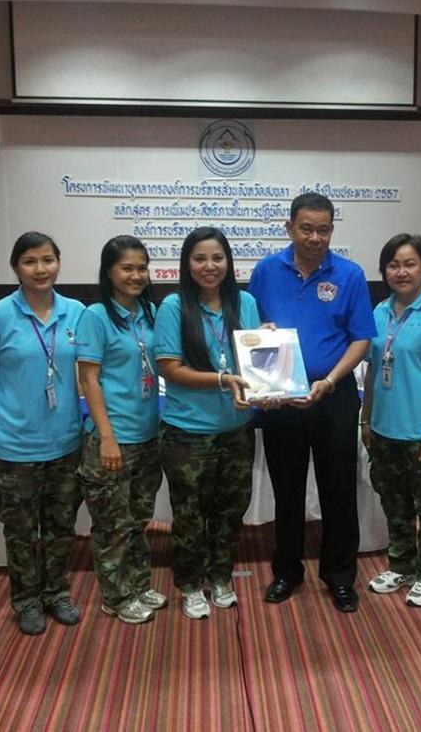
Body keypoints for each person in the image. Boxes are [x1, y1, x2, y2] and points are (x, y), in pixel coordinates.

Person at [248, 192, 376, 613]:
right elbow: (251, 329)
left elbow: (361, 339)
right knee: (286, 490)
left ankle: (340, 577)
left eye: (323, 230)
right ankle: (287, 572)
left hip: (334, 396)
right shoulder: (266, 271)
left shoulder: (350, 274)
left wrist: (330, 381)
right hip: (281, 398)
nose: (315, 237)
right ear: (289, 228)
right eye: (306, 229)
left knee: (339, 489)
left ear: (332, 231)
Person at [0, 231, 85, 635]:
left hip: (66, 441)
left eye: (48, 260)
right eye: (30, 261)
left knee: (60, 527)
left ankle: (57, 593)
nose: (41, 269)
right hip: (15, 445)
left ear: (59, 263)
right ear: (16, 268)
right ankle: (26, 601)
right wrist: (2, 416)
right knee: (21, 531)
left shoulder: (76, 312)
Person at [153, 227, 260, 620]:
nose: (209, 266)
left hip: (236, 428)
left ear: (228, 262)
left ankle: (220, 576)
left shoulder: (245, 302)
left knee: (230, 510)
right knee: (190, 514)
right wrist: (222, 379)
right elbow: (170, 368)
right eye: (200, 258)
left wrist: (267, 347)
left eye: (217, 258)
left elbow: (253, 360)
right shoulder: (173, 307)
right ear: (187, 264)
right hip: (187, 433)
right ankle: (189, 582)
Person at [360, 234, 421, 608]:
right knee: (395, 505)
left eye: (409, 264)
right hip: (385, 430)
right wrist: (366, 421)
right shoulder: (379, 312)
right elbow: (373, 370)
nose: (401, 272)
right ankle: (401, 565)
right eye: (393, 265)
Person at [75, 236, 165, 625]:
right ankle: (115, 596)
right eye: (127, 268)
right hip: (112, 438)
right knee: (113, 524)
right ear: (109, 271)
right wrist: (106, 437)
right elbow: (89, 380)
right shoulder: (96, 316)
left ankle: (139, 585)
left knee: (138, 519)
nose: (136, 275)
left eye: (142, 268)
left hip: (147, 434)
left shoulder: (151, 312)